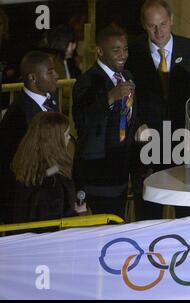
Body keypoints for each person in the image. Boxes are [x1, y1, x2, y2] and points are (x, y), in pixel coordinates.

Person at [126, 0, 190, 221]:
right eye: (152, 26)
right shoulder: (130, 54)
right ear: (144, 25)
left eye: (163, 24)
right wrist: (136, 125)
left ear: (172, 20)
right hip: (148, 145)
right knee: (149, 217)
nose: (158, 31)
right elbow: (127, 100)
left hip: (187, 144)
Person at [72, 25, 143, 219]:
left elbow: (130, 115)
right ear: (100, 51)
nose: (123, 55)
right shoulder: (87, 82)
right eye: (116, 50)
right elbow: (82, 122)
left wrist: (138, 126)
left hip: (122, 170)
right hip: (98, 176)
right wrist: (109, 98)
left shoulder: (127, 76)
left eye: (125, 49)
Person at [0, 50, 59, 223]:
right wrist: (58, 168)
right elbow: (18, 168)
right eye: (50, 72)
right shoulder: (18, 115)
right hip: (28, 205)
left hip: (48, 197)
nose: (56, 75)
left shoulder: (50, 99)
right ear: (33, 78)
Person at [11, 112, 86, 223]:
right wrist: (77, 214)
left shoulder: (28, 165)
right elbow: (52, 223)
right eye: (66, 135)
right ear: (55, 141)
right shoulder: (54, 183)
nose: (70, 138)